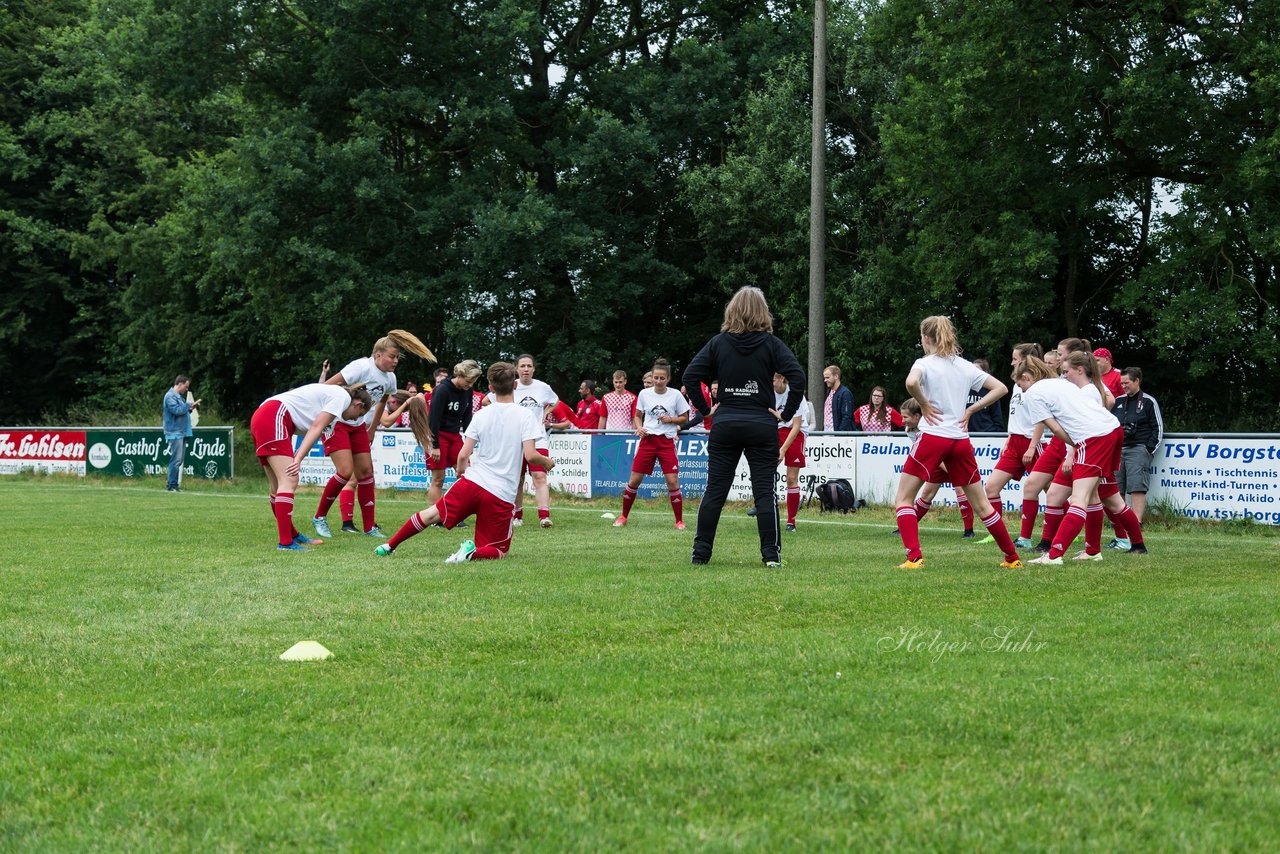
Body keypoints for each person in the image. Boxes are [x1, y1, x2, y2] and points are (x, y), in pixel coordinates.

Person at [375, 362, 554, 563]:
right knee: (498, 550)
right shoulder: (526, 416)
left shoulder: (482, 415)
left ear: (491, 388)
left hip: (473, 481)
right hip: (501, 493)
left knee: (431, 514)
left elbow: (463, 455)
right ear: (515, 385)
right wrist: (547, 461)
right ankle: (469, 554)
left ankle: (389, 545)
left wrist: (461, 473)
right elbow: (530, 455)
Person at [684, 286, 805, 568]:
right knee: (764, 492)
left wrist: (705, 410)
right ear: (763, 312)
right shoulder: (771, 344)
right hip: (761, 425)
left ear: (732, 310)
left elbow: (691, 376)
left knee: (715, 490)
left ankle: (700, 555)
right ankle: (771, 556)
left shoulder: (719, 342)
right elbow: (797, 377)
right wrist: (785, 414)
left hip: (725, 422)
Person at [892, 316, 1022, 570]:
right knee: (982, 504)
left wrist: (925, 403)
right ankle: (1012, 558)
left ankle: (914, 557)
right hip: (960, 440)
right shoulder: (965, 366)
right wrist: (972, 409)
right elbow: (1001, 388)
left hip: (932, 437)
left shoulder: (924, 363)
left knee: (904, 499)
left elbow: (910, 382)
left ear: (926, 338)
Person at [311, 330, 435, 539]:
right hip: (338, 422)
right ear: (378, 355)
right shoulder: (360, 367)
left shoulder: (390, 378)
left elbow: (382, 403)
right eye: (392, 356)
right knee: (345, 471)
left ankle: (370, 527)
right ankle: (320, 517)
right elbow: (325, 387)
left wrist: (372, 429)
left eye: (397, 357)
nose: (395, 361)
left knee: (366, 473)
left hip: (359, 426)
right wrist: (325, 414)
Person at [1025, 351, 1147, 563]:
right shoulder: (1063, 385)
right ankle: (1115, 548)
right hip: (1108, 432)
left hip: (1093, 439)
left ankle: (1054, 554)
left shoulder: (1036, 394)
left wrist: (1075, 448)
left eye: (1066, 371)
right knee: (1107, 496)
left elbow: (1055, 428)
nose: (1065, 375)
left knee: (1079, 499)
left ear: (1027, 379)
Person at [251, 383, 372, 550]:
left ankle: (292, 535)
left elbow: (314, 432)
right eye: (359, 414)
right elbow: (316, 427)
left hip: (266, 415)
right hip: (274, 415)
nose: (354, 419)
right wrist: (298, 458)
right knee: (290, 480)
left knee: (277, 487)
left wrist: (299, 456)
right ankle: (285, 543)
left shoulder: (332, 407)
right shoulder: (342, 397)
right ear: (358, 404)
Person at [613, 358, 690, 529]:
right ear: (652, 377)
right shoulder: (644, 394)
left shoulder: (675, 394)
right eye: (656, 377)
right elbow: (638, 415)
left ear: (668, 379)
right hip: (647, 441)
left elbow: (685, 418)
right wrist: (639, 428)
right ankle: (623, 516)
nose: (658, 381)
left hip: (666, 441)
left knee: (672, 481)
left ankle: (679, 521)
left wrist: (670, 419)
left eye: (662, 378)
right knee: (634, 480)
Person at [1111, 367, 1163, 541]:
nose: (1123, 386)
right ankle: (1120, 526)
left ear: (1137, 381)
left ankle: (1137, 523)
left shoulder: (1149, 401)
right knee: (1117, 487)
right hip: (1118, 450)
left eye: (1126, 383)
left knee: (1137, 486)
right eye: (1121, 383)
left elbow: (1158, 428)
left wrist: (1147, 450)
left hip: (1138, 448)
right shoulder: (1117, 401)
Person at [421, 360, 482, 508]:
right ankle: (434, 516)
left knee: (465, 474)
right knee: (438, 479)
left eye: (473, 381)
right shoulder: (442, 390)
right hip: (438, 435)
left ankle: (457, 510)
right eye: (468, 381)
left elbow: (467, 417)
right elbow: (433, 418)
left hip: (455, 436)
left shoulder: (467, 391)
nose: (470, 384)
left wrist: (469, 441)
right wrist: (434, 445)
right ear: (459, 375)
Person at [507, 354, 558, 527]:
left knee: (539, 476)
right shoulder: (510, 386)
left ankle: (544, 516)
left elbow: (555, 401)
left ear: (534, 369)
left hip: (538, 438)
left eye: (529, 366)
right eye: (522, 366)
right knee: (517, 479)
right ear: (516, 369)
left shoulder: (543, 387)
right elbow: (487, 401)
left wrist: (545, 413)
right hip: (515, 440)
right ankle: (517, 516)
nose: (526, 369)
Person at [771, 372, 813, 532]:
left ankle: (791, 521)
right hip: (776, 430)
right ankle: (764, 506)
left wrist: (782, 450)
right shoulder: (768, 393)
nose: (772, 383)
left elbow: (796, 426)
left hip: (796, 433)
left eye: (774, 380)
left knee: (791, 478)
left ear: (781, 379)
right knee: (765, 472)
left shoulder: (795, 394)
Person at [162, 376, 200, 492]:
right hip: (175, 433)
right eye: (186, 386)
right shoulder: (170, 396)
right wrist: (188, 405)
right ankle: (172, 485)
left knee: (179, 460)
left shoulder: (178, 397)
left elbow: (181, 411)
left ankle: (174, 485)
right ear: (179, 384)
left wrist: (190, 409)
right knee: (176, 460)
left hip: (182, 432)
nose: (186, 389)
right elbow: (177, 411)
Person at [965, 359, 1005, 433]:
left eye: (977, 371)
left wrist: (998, 435)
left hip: (987, 433)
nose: (974, 373)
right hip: (967, 433)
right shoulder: (964, 390)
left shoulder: (992, 391)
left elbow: (997, 417)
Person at [822, 365, 855, 431]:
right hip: (827, 433)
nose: (825, 380)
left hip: (838, 435)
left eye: (827, 377)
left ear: (836, 376)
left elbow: (847, 416)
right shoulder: (829, 392)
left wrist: (839, 433)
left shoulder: (845, 393)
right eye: (824, 378)